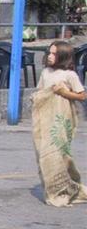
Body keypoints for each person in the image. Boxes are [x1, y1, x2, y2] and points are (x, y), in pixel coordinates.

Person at [31, 40, 87, 207]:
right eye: (49, 52)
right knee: (44, 153)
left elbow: (82, 95)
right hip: (45, 119)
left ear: (62, 56)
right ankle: (54, 189)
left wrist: (63, 92)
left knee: (60, 152)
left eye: (54, 54)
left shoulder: (70, 75)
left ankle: (65, 189)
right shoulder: (46, 72)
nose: (50, 56)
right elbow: (41, 92)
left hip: (61, 119)